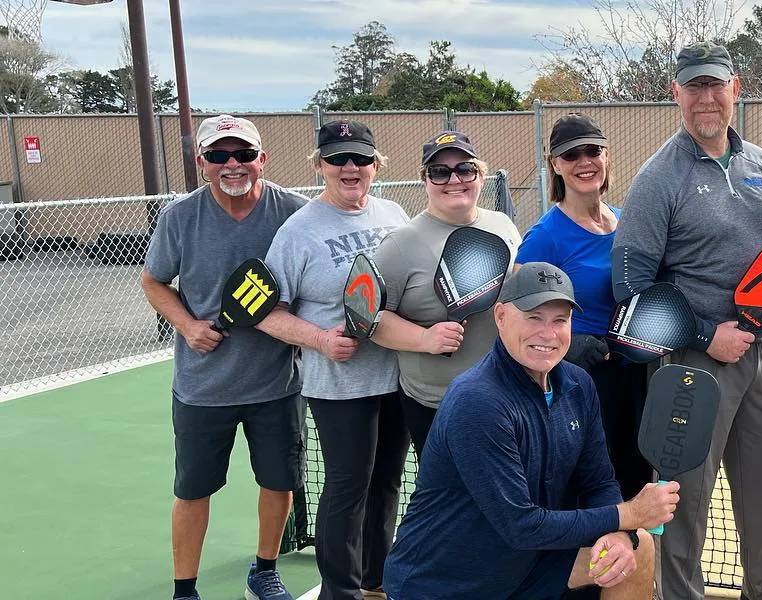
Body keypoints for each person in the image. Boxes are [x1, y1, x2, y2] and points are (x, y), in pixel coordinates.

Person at [611, 41, 762, 600]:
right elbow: (632, 291)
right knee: (684, 496)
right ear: (675, 93)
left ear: (735, 88)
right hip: (691, 362)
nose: (706, 97)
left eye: (715, 84)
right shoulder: (657, 178)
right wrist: (703, 335)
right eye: (693, 86)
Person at [383, 261, 679, 599]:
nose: (547, 334)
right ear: (501, 317)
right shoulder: (477, 401)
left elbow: (598, 481)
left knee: (636, 549)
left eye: (560, 321)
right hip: (446, 582)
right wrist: (627, 514)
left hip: (525, 566)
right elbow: (520, 526)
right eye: (533, 317)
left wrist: (619, 533)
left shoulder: (579, 385)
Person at [140, 115, 308, 600]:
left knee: (279, 484)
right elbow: (154, 281)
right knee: (193, 491)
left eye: (243, 154)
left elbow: (307, 282)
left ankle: (264, 571)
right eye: (218, 156)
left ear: (262, 159)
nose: (232, 165)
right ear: (202, 163)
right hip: (201, 388)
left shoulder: (294, 213)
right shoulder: (180, 217)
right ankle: (185, 590)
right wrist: (189, 326)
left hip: (277, 384)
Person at [256, 119, 409, 600]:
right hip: (340, 385)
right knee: (348, 487)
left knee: (386, 483)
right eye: (338, 158)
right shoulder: (298, 230)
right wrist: (320, 339)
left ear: (376, 164)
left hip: (398, 375)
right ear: (319, 165)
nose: (350, 168)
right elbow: (264, 311)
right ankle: (339, 592)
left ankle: (375, 582)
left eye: (361, 158)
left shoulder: (394, 213)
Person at [516, 113, 650, 499]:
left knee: (637, 483)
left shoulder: (627, 221)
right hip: (583, 382)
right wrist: (568, 346)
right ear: (556, 165)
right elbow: (514, 313)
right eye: (571, 155)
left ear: (606, 156)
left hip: (637, 374)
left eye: (592, 151)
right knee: (593, 494)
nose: (584, 162)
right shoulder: (546, 236)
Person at [370, 130, 521, 457]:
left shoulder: (503, 226)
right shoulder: (400, 245)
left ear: (480, 176)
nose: (454, 179)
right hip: (439, 403)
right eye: (439, 172)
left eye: (465, 169)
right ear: (425, 181)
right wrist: (424, 339)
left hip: (507, 393)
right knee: (450, 503)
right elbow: (368, 319)